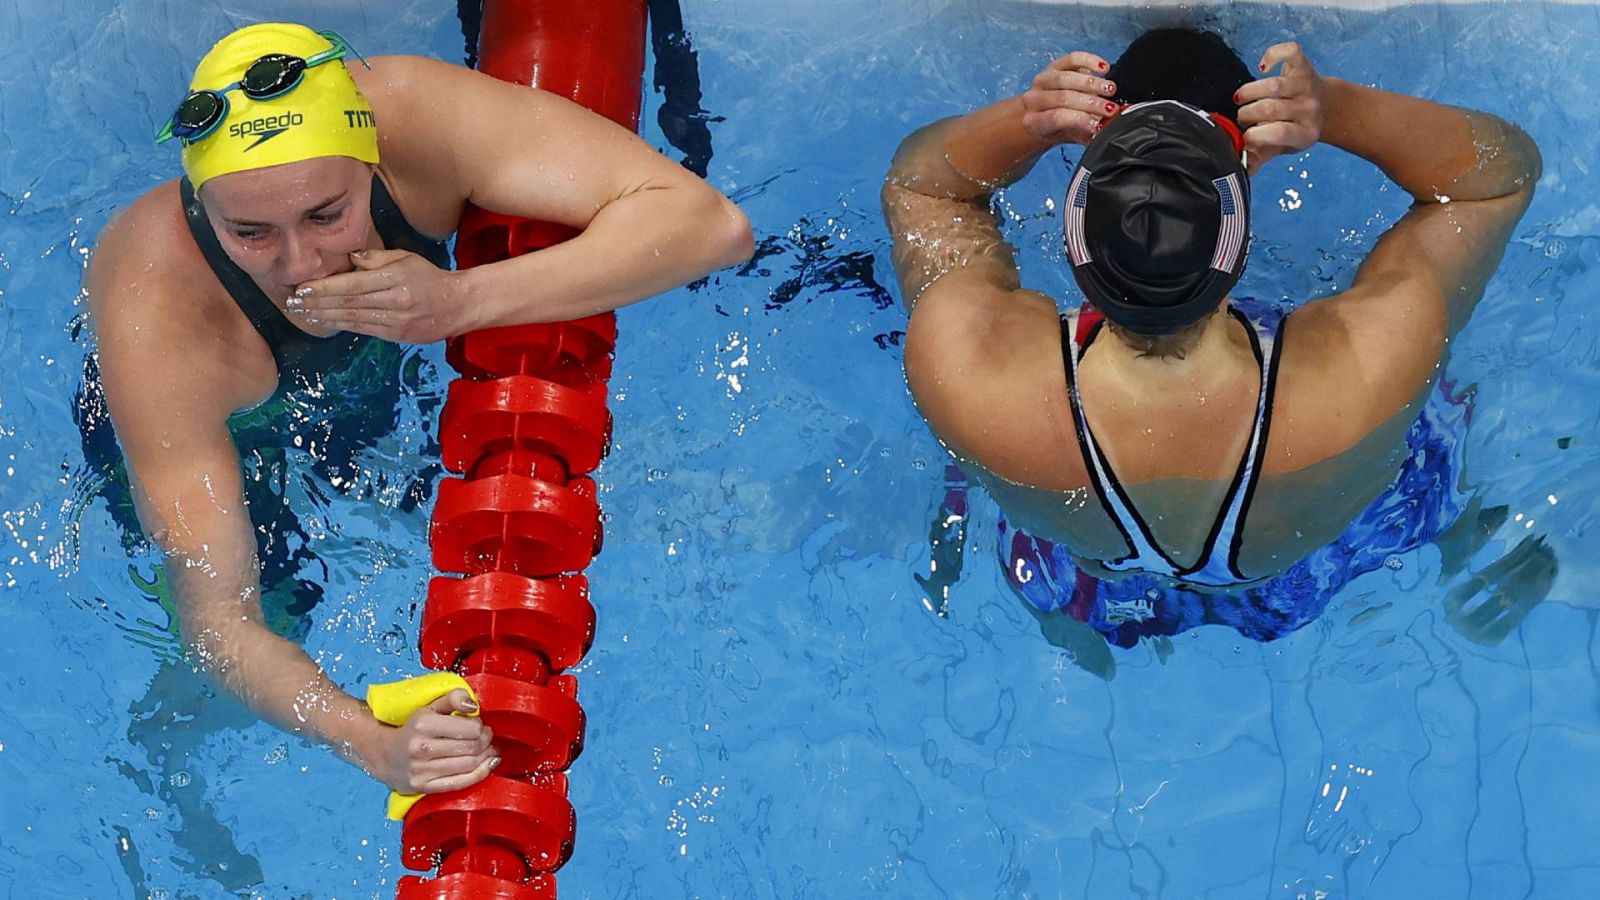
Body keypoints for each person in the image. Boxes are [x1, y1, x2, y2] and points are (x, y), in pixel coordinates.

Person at [87, 23, 753, 800]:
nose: (302, 264)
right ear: (203, 205)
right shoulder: (160, 317)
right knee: (265, 622)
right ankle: (168, 775)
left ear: (370, 159)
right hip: (242, 427)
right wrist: (365, 738)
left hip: (383, 360)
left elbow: (712, 226)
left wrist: (460, 301)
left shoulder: (412, 114)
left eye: (328, 214)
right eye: (251, 233)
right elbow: (221, 625)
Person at [882, 29, 1541, 650]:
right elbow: (1495, 180)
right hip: (1294, 581)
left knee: (1024, 540)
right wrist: (1334, 108)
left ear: (1076, 238)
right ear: (1241, 239)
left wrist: (1024, 120)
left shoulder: (971, 375)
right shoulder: (1363, 370)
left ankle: (1081, 640)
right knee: (1434, 424)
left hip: (1091, 584)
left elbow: (923, 188)